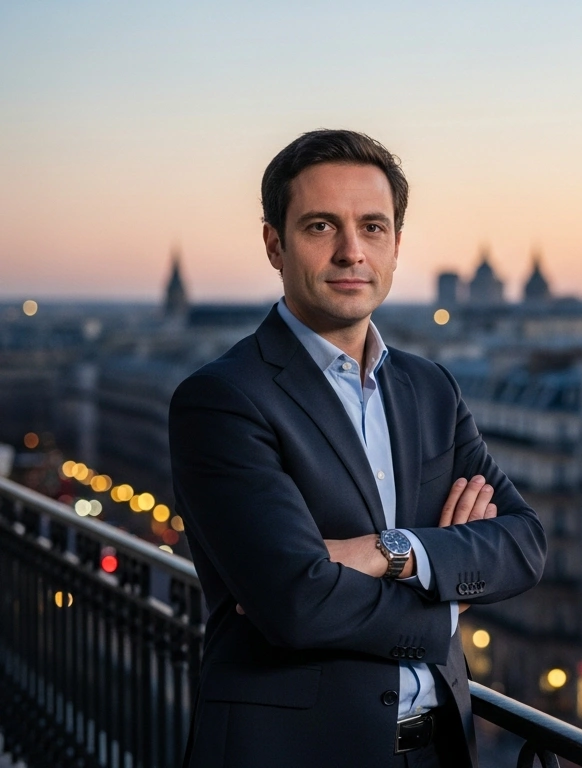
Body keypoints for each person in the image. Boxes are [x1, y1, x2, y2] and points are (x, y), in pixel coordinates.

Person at [169, 129, 545, 768]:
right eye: (321, 226)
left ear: (396, 246)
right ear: (274, 244)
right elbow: (296, 604)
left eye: (373, 227)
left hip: (440, 751)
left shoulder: (431, 388)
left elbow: (524, 543)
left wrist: (387, 552)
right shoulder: (222, 398)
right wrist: (445, 605)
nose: (351, 252)